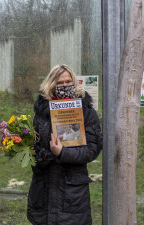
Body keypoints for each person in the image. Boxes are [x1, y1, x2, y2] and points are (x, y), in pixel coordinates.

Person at [27, 64, 102, 225]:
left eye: (68, 81)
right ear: (51, 84)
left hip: (72, 193)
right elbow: (35, 145)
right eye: (60, 83)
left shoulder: (86, 111)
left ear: (74, 82)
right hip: (44, 188)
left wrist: (62, 152)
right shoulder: (41, 111)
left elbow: (92, 149)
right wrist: (32, 150)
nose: (65, 86)